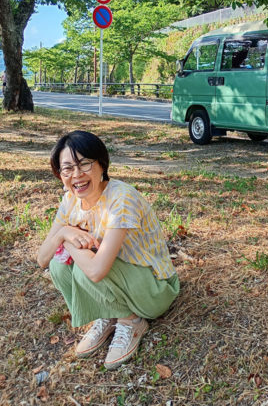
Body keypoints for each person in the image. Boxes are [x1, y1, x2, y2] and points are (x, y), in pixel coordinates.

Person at [37, 130, 179, 370]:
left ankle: (131, 321)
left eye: (84, 164)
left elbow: (96, 271)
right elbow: (42, 258)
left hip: (154, 288)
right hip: (121, 279)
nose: (77, 175)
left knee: (83, 267)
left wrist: (68, 240)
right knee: (58, 265)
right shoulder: (70, 200)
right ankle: (109, 312)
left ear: (101, 164)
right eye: (67, 168)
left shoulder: (121, 198)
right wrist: (63, 233)